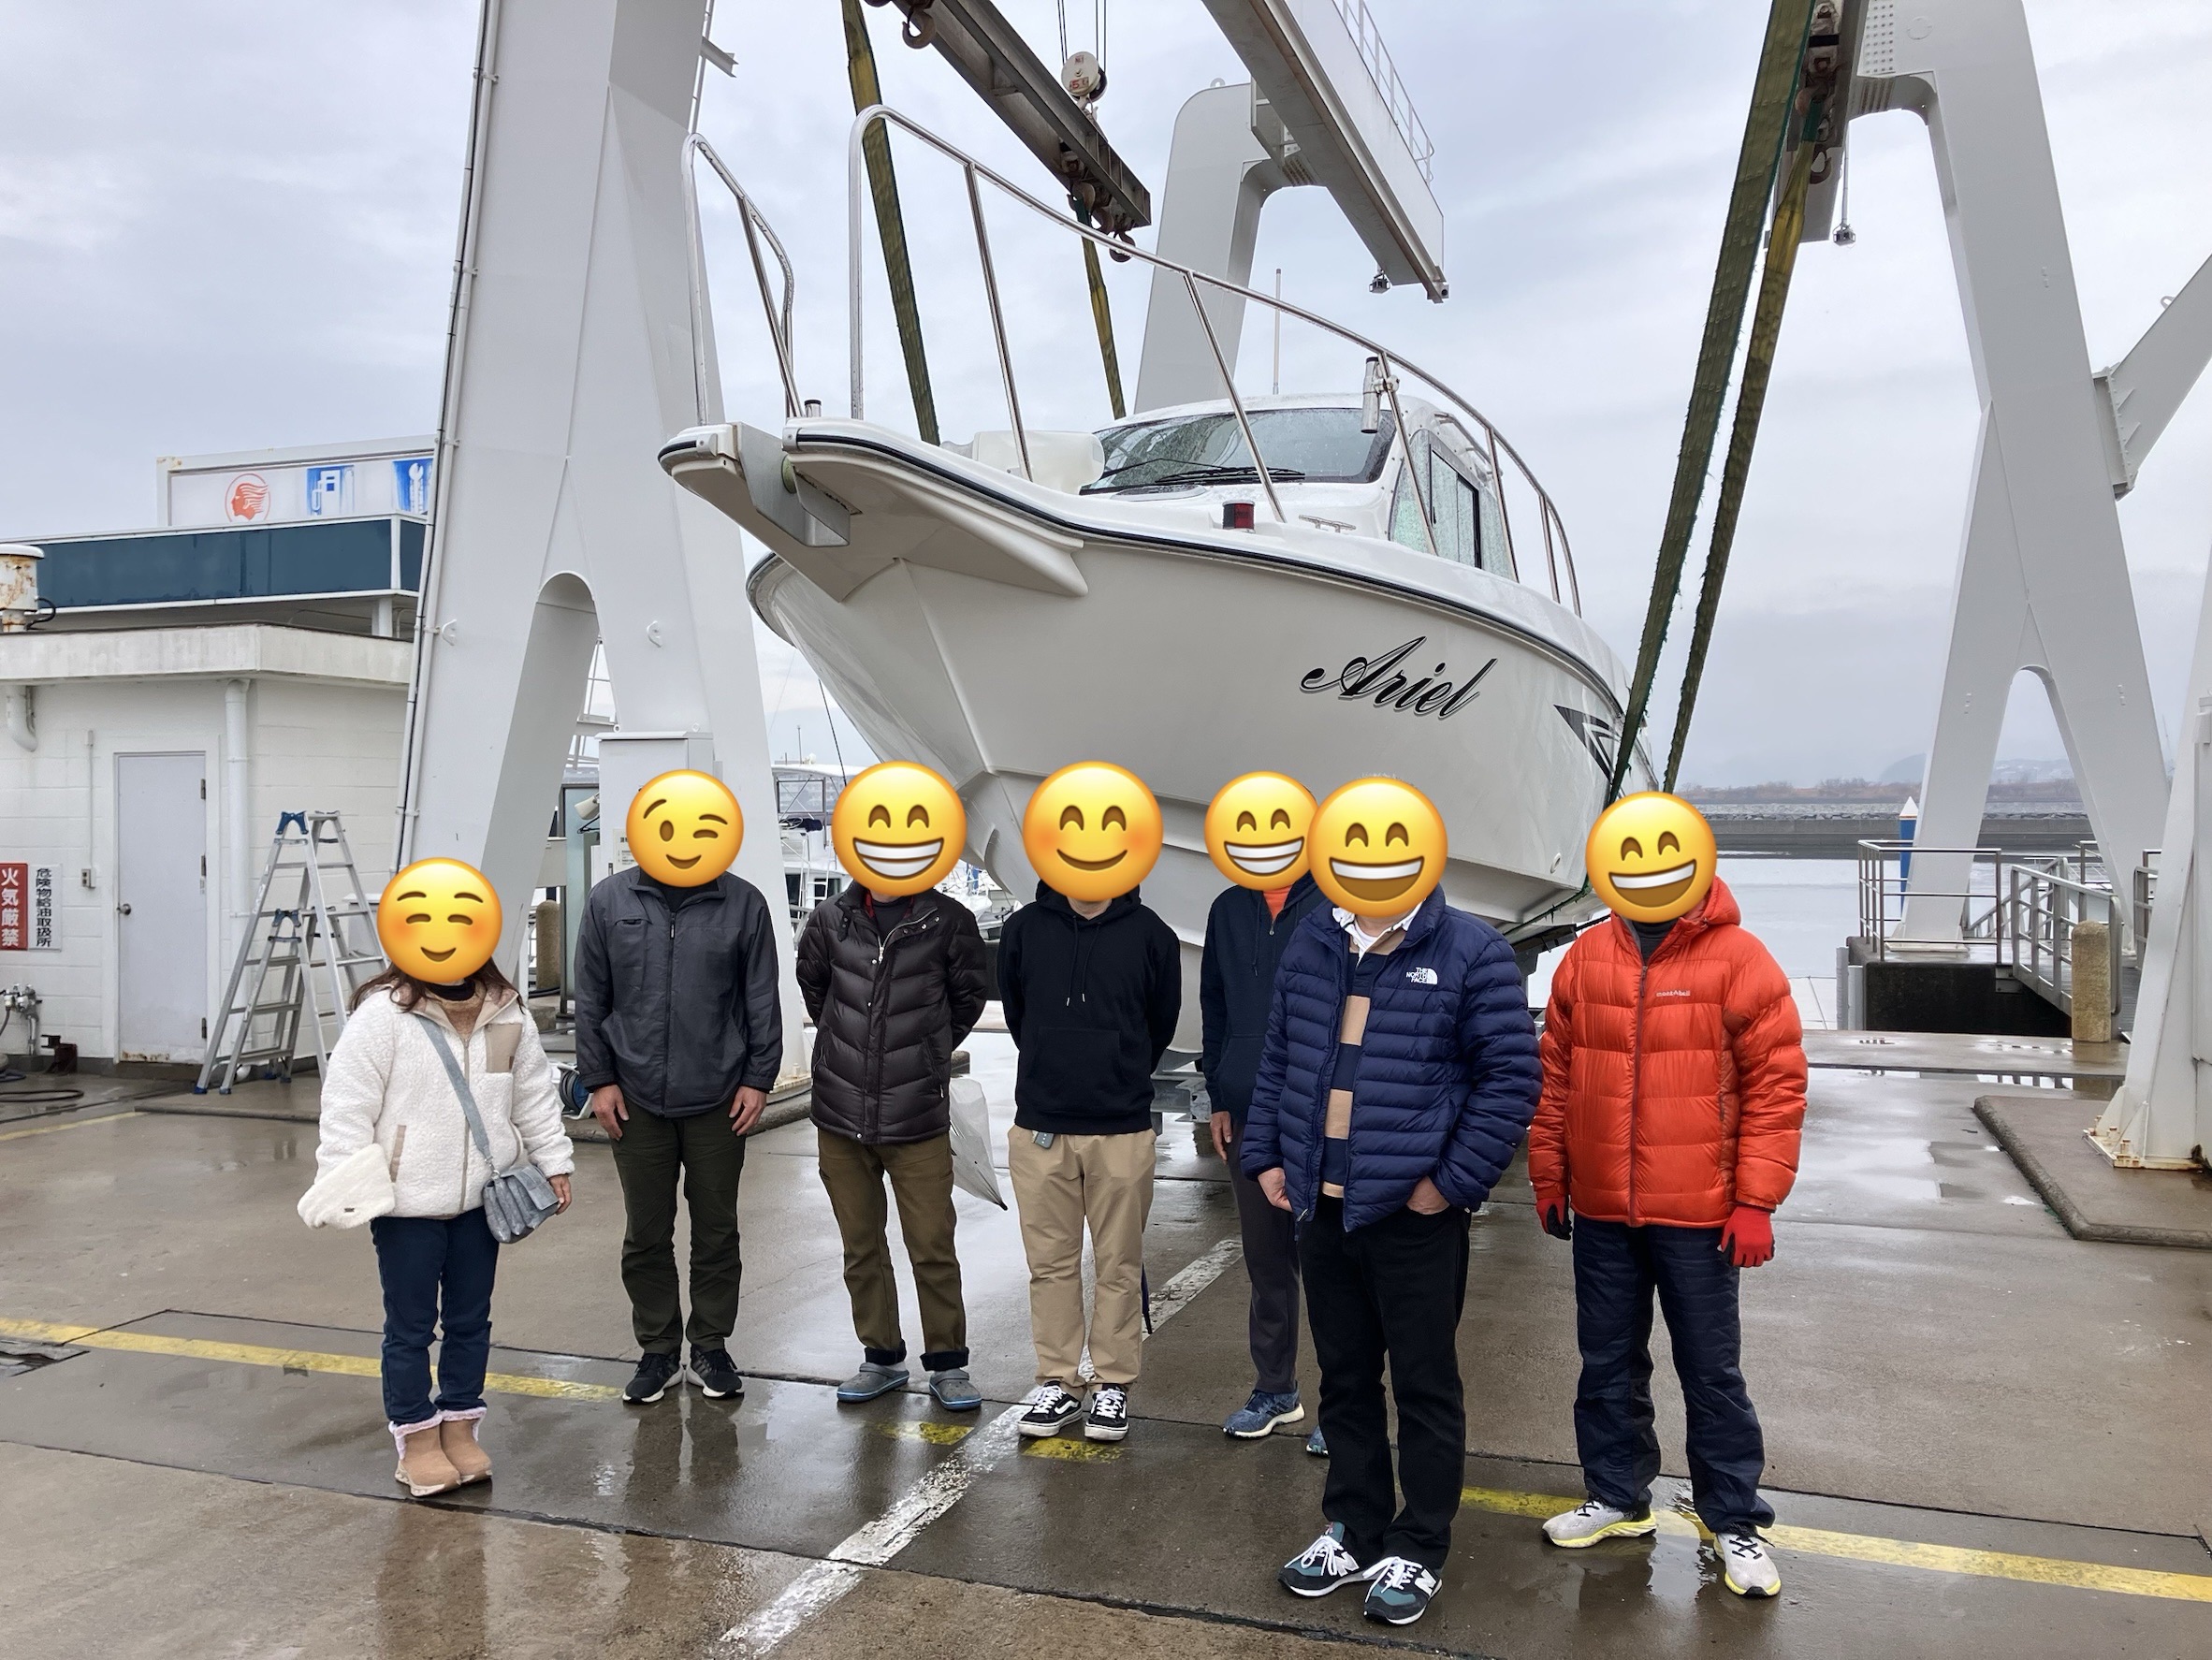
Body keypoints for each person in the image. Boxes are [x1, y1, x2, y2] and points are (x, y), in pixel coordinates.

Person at [1245, 777, 1540, 1627]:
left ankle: (1420, 1544)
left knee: (1423, 1383)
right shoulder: (1313, 941)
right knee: (1343, 1377)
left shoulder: (1472, 952)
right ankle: (1354, 1525)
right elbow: (1279, 1059)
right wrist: (1268, 1156)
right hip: (1323, 1207)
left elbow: (1511, 1079)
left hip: (1412, 1219)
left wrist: (1447, 1186)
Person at [1529, 795, 1804, 1599]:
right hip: (1602, 1212)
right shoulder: (1586, 958)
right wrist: (1550, 1174)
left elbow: (1777, 1088)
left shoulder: (1740, 960)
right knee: (1606, 1363)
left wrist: (1755, 1201)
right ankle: (1618, 1496)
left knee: (1711, 1372)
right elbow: (1555, 1076)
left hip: (1701, 1216)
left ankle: (1734, 1520)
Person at [314, 954, 574, 1497]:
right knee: (410, 1327)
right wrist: (345, 1180)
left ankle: (460, 1426)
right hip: (406, 1206)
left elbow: (531, 1094)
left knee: (470, 1321)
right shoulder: (384, 1014)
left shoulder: (506, 1011)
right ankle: (416, 1439)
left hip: (483, 1201)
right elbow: (347, 1103)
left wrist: (554, 1161)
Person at [575, 772, 783, 1407]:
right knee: (646, 1232)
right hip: (635, 1098)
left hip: (719, 1097)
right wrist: (599, 1080)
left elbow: (761, 1001)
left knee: (717, 1231)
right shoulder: (608, 902)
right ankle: (658, 1350)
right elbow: (591, 1000)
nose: (684, 840)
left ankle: (711, 1346)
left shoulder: (744, 905)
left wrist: (758, 1079)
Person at [1001, 764, 1180, 1444]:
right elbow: (1018, 1015)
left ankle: (1112, 1384)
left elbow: (1159, 1023)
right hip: (1041, 1127)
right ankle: (1057, 1381)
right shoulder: (1023, 930)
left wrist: (1116, 1065)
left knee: (1118, 1265)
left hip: (1121, 1128)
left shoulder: (1153, 935)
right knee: (1048, 1266)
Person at [796, 877, 990, 1410]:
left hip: (917, 1115)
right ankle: (880, 1357)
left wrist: (926, 1051)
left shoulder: (948, 920)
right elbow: (815, 988)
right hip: (841, 1114)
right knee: (861, 1246)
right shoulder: (829, 919)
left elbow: (967, 998)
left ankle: (948, 1364)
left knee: (932, 1245)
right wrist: (848, 1050)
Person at [1201, 867, 1329, 1449]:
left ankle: (1343, 1405)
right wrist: (1218, 1094)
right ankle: (1276, 1389)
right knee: (1266, 1259)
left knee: (1331, 1264)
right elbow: (1215, 1005)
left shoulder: (1337, 903)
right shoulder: (1226, 909)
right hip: (1249, 1111)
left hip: (1319, 1114)